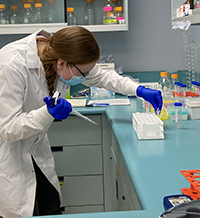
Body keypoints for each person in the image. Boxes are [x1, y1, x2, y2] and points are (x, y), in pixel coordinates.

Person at [0, 26, 162, 218]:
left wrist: (139, 90)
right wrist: (47, 113)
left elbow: (103, 77)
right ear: (62, 64)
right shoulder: (11, 65)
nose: (85, 78)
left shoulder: (62, 55)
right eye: (82, 73)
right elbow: (6, 129)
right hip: (11, 155)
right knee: (23, 210)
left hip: (36, 149)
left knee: (50, 208)